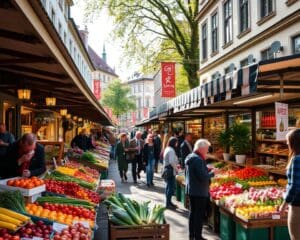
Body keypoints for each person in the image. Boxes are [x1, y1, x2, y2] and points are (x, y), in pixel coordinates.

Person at [185, 139, 215, 240]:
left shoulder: (192, 156)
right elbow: (203, 177)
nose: (207, 151)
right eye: (206, 149)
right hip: (199, 191)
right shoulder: (198, 159)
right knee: (198, 215)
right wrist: (213, 173)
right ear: (201, 148)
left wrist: (207, 169)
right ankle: (198, 236)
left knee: (193, 214)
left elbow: (197, 172)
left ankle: (192, 235)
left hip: (192, 189)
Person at [279, 129, 300, 240]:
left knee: (295, 236)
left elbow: (295, 186)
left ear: (294, 143)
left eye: (288, 141)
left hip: (297, 206)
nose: (287, 144)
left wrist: (283, 205)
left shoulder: (297, 159)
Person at [163, 137, 179, 209]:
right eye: (176, 142)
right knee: (170, 187)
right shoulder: (171, 150)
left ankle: (168, 202)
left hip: (167, 169)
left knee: (168, 187)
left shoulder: (167, 148)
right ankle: (168, 203)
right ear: (174, 143)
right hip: (170, 170)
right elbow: (171, 161)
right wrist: (176, 169)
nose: (177, 144)